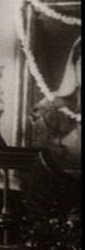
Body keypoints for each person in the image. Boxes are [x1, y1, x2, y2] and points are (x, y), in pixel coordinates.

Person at [30, 36, 81, 174]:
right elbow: (37, 156)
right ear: (73, 68)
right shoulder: (51, 108)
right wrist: (65, 141)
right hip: (59, 182)